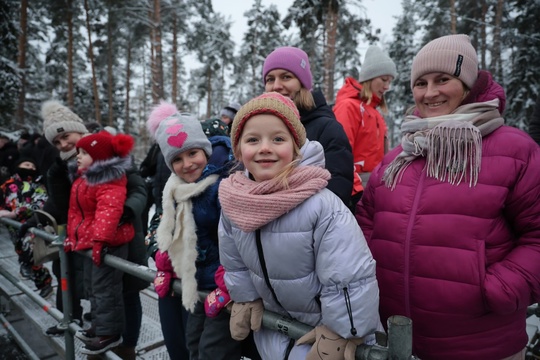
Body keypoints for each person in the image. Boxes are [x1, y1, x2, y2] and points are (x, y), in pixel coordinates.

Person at [355, 34, 540, 360]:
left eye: (443, 79)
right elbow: (368, 220)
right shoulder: (399, 156)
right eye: (421, 83)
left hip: (482, 344)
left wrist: (499, 289)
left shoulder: (515, 151)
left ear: (468, 84)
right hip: (400, 341)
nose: (430, 92)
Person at [218, 92, 380, 359]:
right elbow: (234, 261)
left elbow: (349, 276)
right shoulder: (234, 203)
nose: (265, 148)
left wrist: (343, 330)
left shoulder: (321, 205)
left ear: (296, 147)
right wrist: (245, 297)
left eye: (278, 139)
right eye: (252, 140)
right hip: (273, 330)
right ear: (238, 150)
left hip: (324, 334)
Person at [146, 100, 241, 359]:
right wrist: (164, 262)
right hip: (196, 282)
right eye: (177, 159)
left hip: (222, 285)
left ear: (206, 151)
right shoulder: (177, 189)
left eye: (192, 154)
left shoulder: (221, 186)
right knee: (192, 344)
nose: (187, 164)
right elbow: (171, 229)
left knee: (212, 351)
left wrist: (229, 282)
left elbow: (235, 236)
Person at [65, 130, 135, 355]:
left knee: (106, 289)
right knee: (93, 288)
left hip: (107, 244)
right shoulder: (84, 179)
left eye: (84, 152)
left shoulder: (108, 179)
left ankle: (110, 333)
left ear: (100, 157)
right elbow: (77, 213)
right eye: (78, 152)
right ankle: (99, 325)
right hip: (90, 242)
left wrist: (101, 240)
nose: (78, 156)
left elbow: (108, 211)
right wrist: (72, 238)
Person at [262, 46, 354, 207]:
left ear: (302, 84)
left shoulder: (327, 129)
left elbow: (336, 195)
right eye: (270, 79)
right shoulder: (259, 128)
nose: (276, 85)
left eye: (286, 77)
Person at [333, 45, 397, 209]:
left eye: (389, 81)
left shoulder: (374, 113)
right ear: (369, 78)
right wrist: (355, 192)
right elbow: (340, 153)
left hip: (374, 188)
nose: (387, 86)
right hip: (355, 190)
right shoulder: (348, 107)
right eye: (383, 80)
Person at [0, 157, 52, 298]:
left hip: (32, 223)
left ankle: (43, 281)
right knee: (22, 252)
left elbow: (40, 203)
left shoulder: (38, 185)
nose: (30, 167)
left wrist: (15, 213)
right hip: (13, 227)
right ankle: (43, 282)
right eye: (26, 164)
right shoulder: (7, 185)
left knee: (31, 252)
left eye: (32, 166)